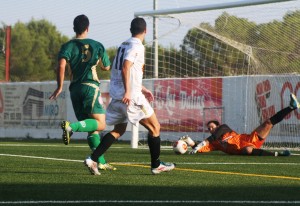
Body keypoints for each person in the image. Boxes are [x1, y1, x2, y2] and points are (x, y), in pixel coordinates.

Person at [84, 17, 175, 175]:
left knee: (118, 130)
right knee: (155, 127)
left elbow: (124, 70)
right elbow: (126, 67)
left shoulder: (123, 45)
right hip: (131, 97)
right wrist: (129, 91)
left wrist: (141, 87)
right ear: (145, 31)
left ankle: (93, 158)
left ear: (130, 30)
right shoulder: (137, 46)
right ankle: (156, 165)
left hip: (119, 96)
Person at [49, 14, 116, 171]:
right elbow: (106, 67)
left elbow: (61, 66)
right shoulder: (97, 45)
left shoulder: (67, 46)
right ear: (87, 28)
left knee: (91, 128)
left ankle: (100, 161)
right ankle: (71, 127)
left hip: (74, 89)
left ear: (74, 29)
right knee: (101, 123)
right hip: (90, 87)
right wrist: (100, 61)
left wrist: (59, 87)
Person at [181, 93, 300, 156]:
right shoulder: (216, 144)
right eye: (209, 128)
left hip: (249, 138)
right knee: (248, 151)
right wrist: (190, 142)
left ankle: (291, 107)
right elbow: (202, 148)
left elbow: (210, 138)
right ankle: (277, 154)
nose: (211, 129)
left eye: (212, 127)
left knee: (268, 123)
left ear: (218, 126)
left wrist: (200, 144)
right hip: (244, 148)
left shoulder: (224, 128)